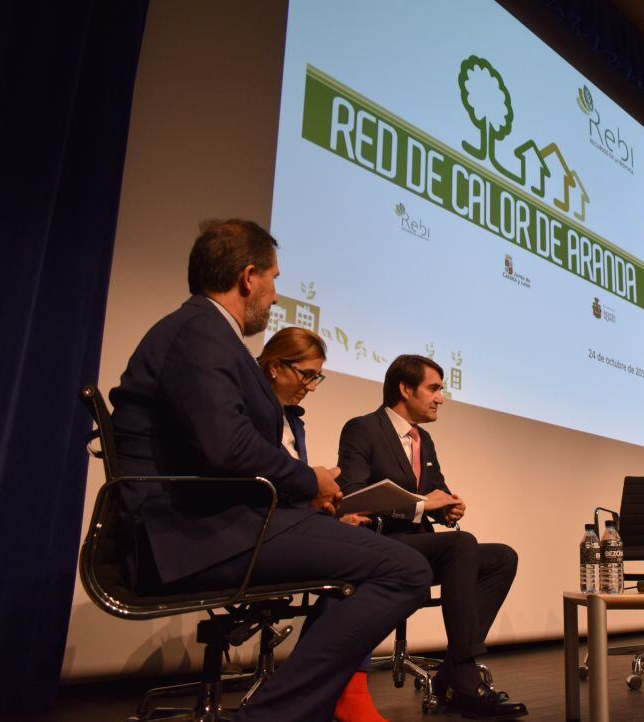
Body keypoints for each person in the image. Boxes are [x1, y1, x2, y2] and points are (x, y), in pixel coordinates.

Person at [109, 219, 432, 722]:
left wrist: (308, 495)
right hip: (194, 536)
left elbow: (219, 447)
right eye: (275, 280)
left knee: (380, 559)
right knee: (405, 569)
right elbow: (228, 446)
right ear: (248, 277)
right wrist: (311, 482)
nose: (276, 295)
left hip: (213, 526)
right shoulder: (201, 332)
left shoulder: (204, 333)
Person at [337, 355, 527, 720]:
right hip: (380, 543)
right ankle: (466, 678)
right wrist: (423, 505)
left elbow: (435, 490)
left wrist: (447, 506)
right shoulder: (363, 429)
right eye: (434, 388)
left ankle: (451, 670)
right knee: (461, 543)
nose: (441, 398)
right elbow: (353, 495)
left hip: (419, 544)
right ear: (405, 389)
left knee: (503, 557)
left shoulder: (424, 439)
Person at [257, 327, 384, 722]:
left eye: (317, 377)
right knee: (364, 563)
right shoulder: (253, 414)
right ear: (276, 367)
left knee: (355, 547)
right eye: (306, 375)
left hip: (291, 524)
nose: (311, 386)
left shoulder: (292, 421)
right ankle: (337, 689)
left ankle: (327, 687)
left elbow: (290, 490)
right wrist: (312, 484)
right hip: (260, 533)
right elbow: (255, 484)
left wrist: (326, 508)